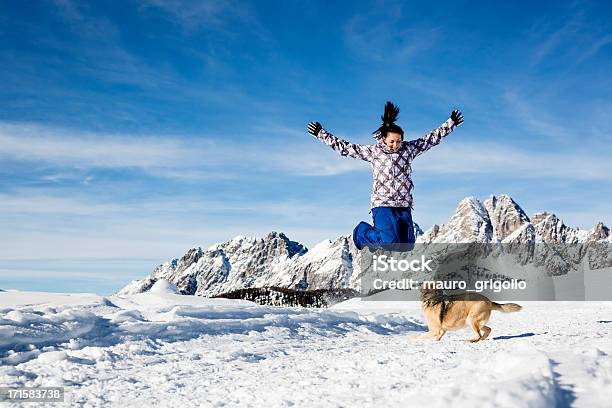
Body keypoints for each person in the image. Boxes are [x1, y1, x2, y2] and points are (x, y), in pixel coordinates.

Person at [307, 101, 463, 250]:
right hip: (383, 204)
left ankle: (382, 248)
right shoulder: (374, 152)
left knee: (406, 246)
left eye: (399, 141)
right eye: (392, 142)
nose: (396, 145)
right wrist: (321, 133)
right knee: (389, 242)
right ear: (383, 139)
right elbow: (346, 148)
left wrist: (451, 123)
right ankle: (360, 233)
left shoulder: (408, 150)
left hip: (404, 205)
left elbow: (431, 139)